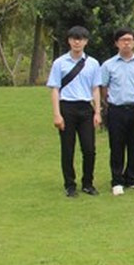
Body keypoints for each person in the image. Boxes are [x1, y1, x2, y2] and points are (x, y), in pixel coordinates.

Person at [47, 25, 102, 197]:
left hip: (86, 108)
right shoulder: (60, 63)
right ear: (69, 41)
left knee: (89, 149)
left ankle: (88, 183)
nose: (77, 42)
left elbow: (95, 88)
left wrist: (98, 112)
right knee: (68, 148)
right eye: (73, 39)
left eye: (81, 39)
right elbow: (55, 89)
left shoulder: (92, 63)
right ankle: (70, 185)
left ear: (86, 42)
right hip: (67, 107)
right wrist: (57, 114)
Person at [100, 28, 134, 196]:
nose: (126, 43)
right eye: (122, 40)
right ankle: (117, 180)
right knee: (117, 145)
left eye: (129, 39)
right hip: (116, 110)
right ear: (116, 43)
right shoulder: (108, 65)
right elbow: (104, 88)